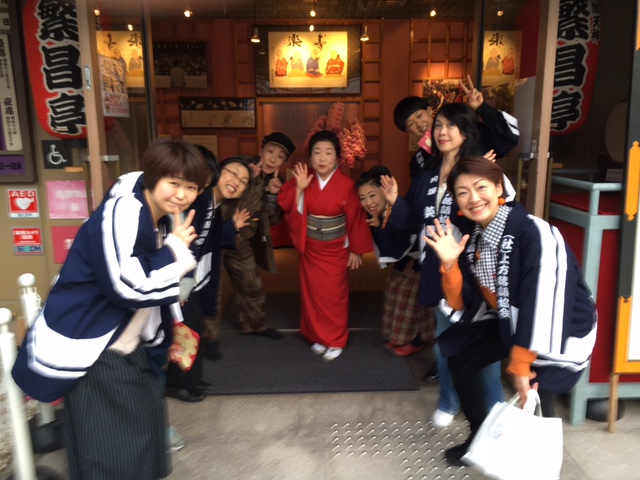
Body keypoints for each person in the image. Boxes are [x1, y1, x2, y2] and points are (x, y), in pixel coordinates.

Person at [12, 139, 210, 479]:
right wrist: (174, 251)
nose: (182, 195)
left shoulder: (159, 217)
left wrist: (168, 333)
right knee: (111, 446)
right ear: (153, 176)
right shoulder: (122, 212)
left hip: (123, 341)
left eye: (191, 187)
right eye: (174, 183)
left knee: (138, 431)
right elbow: (126, 285)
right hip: (96, 344)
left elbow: (157, 283)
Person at [424, 155, 597, 465]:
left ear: (499, 187)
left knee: (537, 396)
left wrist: (520, 367)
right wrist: (450, 265)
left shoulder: (535, 232)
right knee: (461, 363)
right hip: (512, 322)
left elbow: (542, 302)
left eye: (481, 187)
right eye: (463, 192)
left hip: (559, 332)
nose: (473, 198)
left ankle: (539, 464)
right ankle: (478, 439)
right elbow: (464, 303)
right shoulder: (474, 239)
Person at [382, 102, 511, 428]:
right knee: (445, 341)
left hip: (474, 269)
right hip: (437, 270)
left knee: (482, 343)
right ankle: (450, 401)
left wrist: (484, 182)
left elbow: (501, 216)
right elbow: (415, 221)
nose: (442, 131)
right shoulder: (426, 175)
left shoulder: (479, 168)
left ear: (466, 131)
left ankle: (494, 407)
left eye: (450, 125)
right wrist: (396, 201)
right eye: (438, 125)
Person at [278, 130, 373, 361]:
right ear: (310, 157)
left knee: (333, 297)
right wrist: (299, 188)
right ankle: (318, 336)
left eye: (328, 153)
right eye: (317, 152)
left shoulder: (347, 185)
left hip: (335, 250)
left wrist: (356, 250)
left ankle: (336, 339)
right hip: (310, 249)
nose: (322, 158)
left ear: (338, 157)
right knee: (311, 295)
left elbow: (355, 218)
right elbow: (285, 203)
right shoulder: (303, 178)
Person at [165, 148, 249, 401]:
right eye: (233, 173)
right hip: (183, 277)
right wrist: (180, 283)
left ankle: (193, 379)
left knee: (196, 329)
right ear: (217, 173)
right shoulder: (199, 200)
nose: (236, 181)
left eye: (243, 181)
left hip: (197, 278)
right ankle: (178, 384)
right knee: (185, 331)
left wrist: (231, 226)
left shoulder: (215, 204)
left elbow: (214, 238)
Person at [214, 133, 296, 348]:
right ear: (261, 150)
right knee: (212, 290)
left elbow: (273, 219)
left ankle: (255, 325)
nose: (273, 159)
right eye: (270, 151)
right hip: (217, 237)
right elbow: (220, 191)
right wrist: (249, 179)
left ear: (283, 162)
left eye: (280, 156)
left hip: (242, 243)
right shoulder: (241, 166)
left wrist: (272, 195)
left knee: (253, 286)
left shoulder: (275, 182)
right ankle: (208, 339)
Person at [356, 166, 435, 356]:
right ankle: (398, 336)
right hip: (407, 261)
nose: (368, 202)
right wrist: (378, 226)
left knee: (409, 290)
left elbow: (417, 238)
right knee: (393, 285)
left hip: (425, 261)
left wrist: (414, 264)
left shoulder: (401, 208)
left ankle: (414, 339)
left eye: (372, 195)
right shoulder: (379, 214)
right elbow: (391, 249)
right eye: (363, 198)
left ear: (385, 190)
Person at [393, 75, 519, 178]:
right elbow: (420, 195)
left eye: (419, 115)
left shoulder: (469, 131)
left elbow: (508, 138)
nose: (419, 124)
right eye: (411, 124)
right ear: (408, 131)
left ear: (430, 110)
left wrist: (482, 108)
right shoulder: (418, 161)